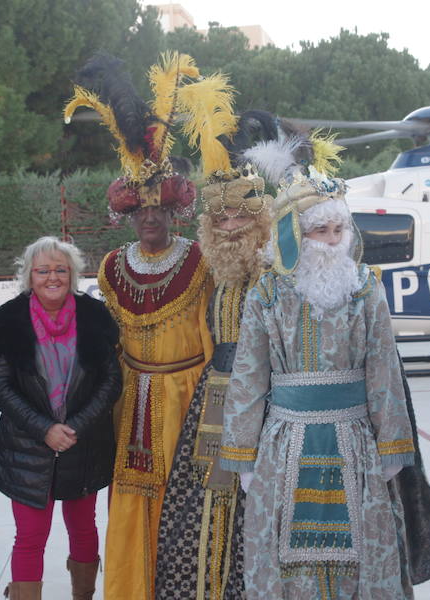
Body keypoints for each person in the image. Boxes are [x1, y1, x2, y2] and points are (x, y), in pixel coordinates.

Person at [219, 167, 417, 599]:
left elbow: (384, 370)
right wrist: (243, 456)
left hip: (356, 443)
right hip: (283, 443)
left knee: (363, 556)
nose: (331, 239)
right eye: (319, 230)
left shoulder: (366, 289)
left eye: (338, 228)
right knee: (287, 568)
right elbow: (249, 376)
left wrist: (393, 446)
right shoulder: (266, 293)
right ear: (294, 235)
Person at [64, 52, 215, 599]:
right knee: (131, 498)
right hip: (131, 404)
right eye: (141, 211)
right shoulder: (109, 267)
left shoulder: (201, 261)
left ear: (174, 214)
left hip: (191, 399)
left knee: (190, 499)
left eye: (160, 211)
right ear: (130, 216)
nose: (150, 218)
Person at [155, 109, 276, 599]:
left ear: (259, 217)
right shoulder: (216, 274)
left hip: (267, 402)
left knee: (256, 503)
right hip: (213, 399)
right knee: (202, 504)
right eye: (220, 216)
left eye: (240, 214)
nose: (229, 225)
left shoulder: (275, 274)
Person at [0, 236, 121, 600]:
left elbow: (111, 381)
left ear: (73, 274)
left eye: (60, 269)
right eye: (43, 270)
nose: (52, 277)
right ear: (29, 275)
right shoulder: (9, 320)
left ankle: (83, 595)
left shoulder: (94, 316)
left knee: (83, 529)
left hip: (83, 444)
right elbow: (1, 388)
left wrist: (75, 426)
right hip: (27, 449)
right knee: (29, 538)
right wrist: (44, 429)